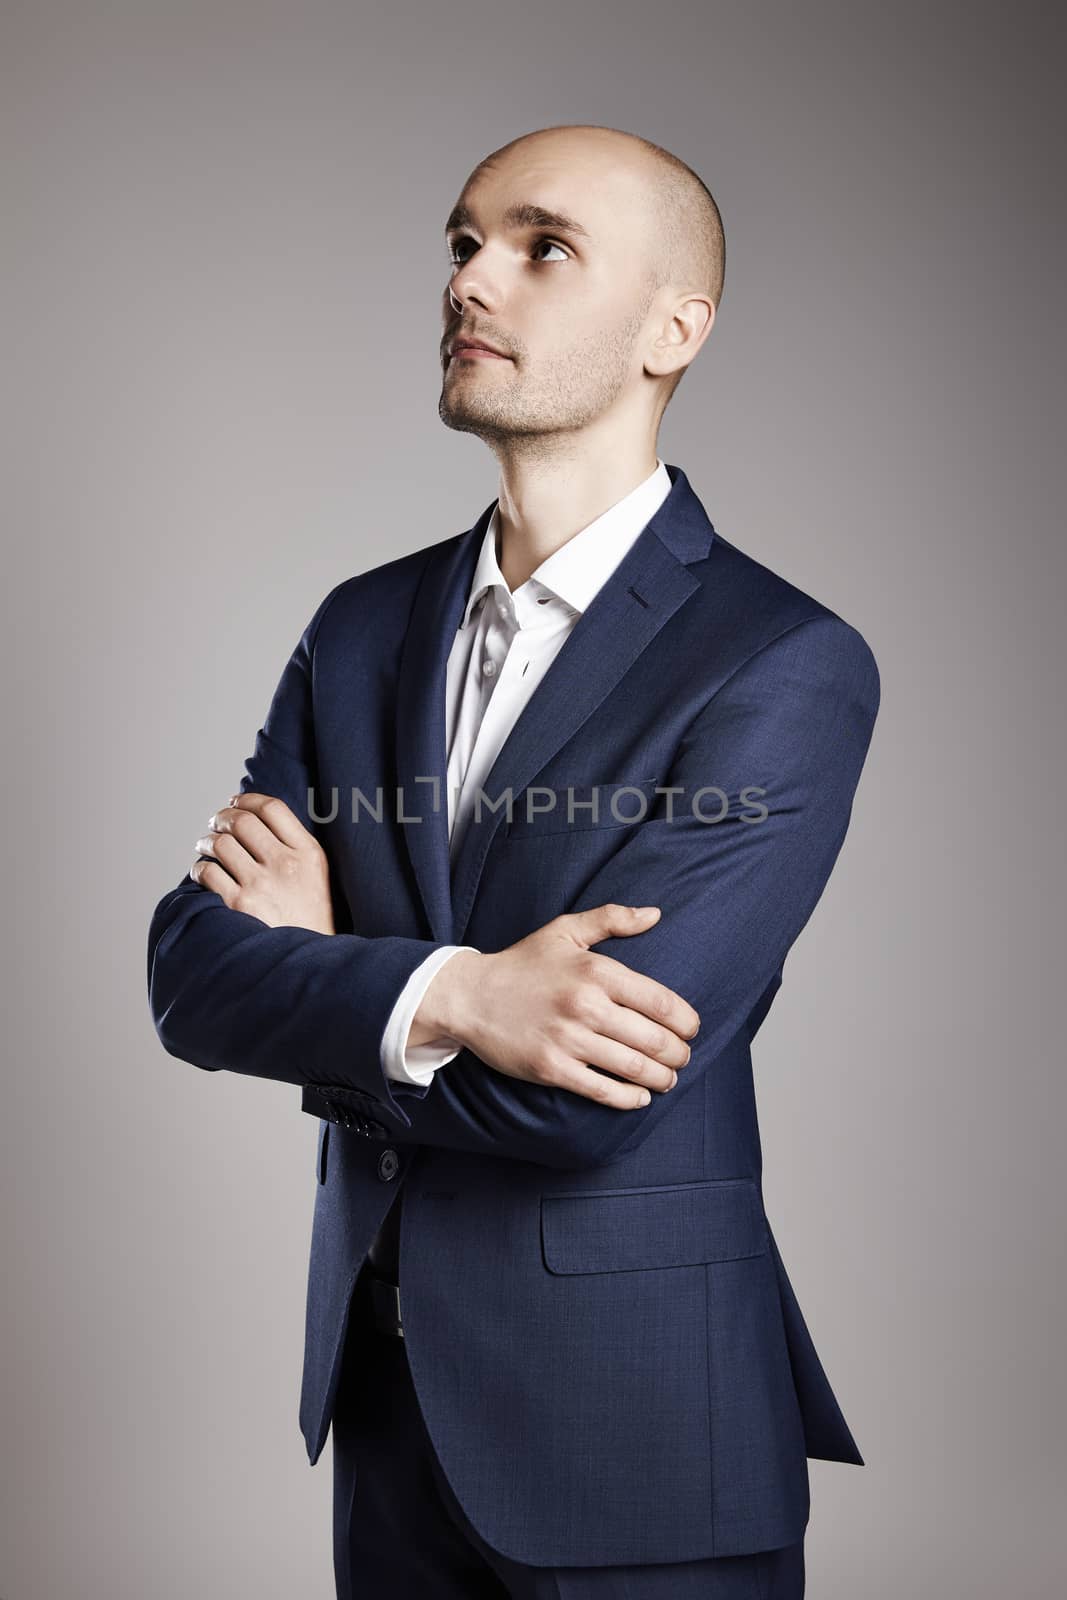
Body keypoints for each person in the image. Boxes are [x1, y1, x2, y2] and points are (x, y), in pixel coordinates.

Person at [147, 122, 880, 1598]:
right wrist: (465, 997)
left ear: (678, 328)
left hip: (643, 1436)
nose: (475, 278)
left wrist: (337, 977)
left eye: (544, 249)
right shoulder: (358, 628)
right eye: (464, 243)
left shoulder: (782, 663)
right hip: (387, 1411)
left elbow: (592, 1097)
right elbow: (191, 977)